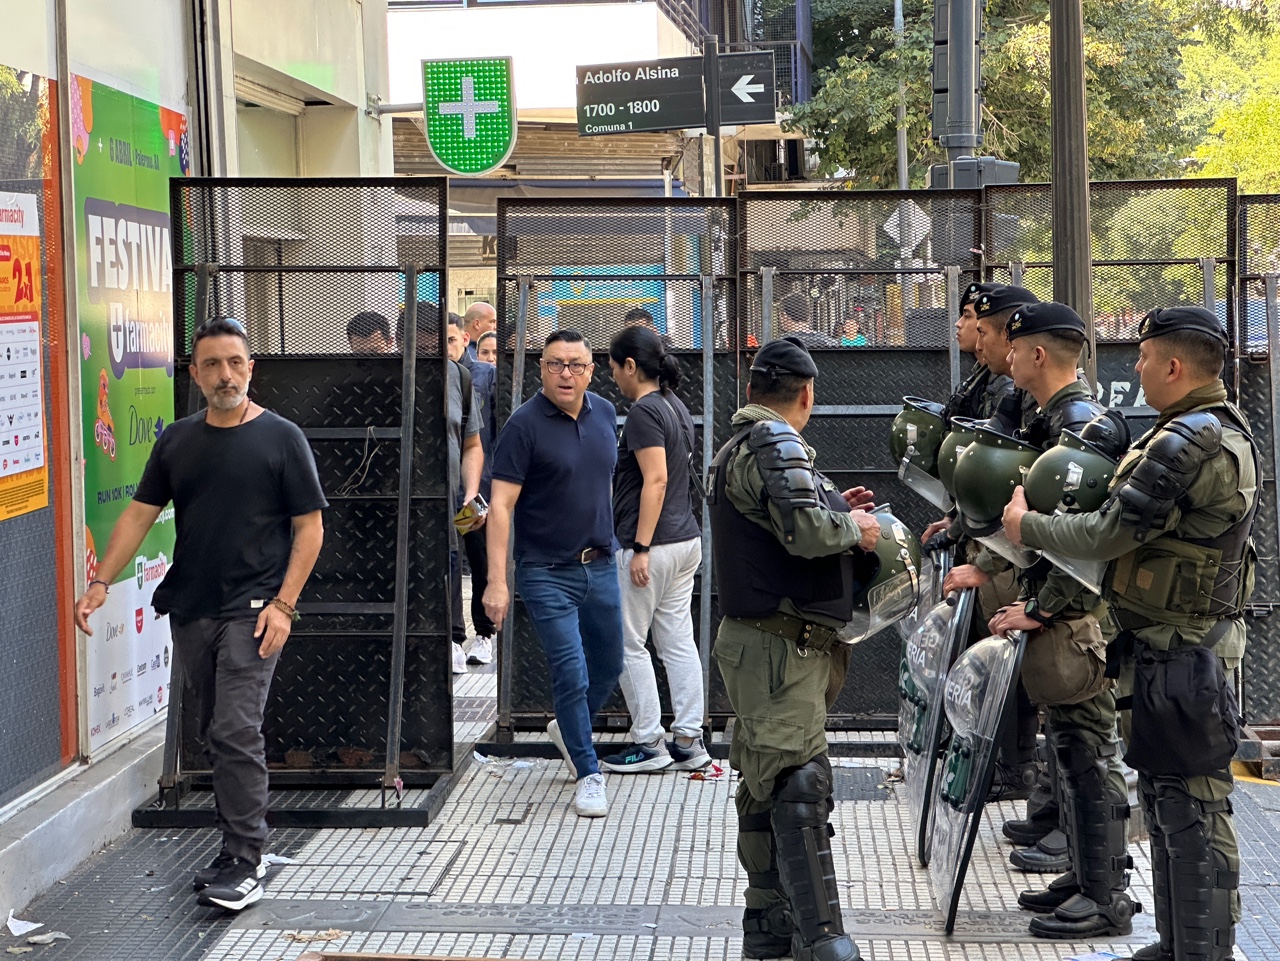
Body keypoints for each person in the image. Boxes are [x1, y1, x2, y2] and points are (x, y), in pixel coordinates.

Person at [1004, 305, 1255, 961]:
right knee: (1169, 798)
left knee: (1194, 806)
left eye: (1143, 358)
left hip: (1188, 647)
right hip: (1165, 643)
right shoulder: (1192, 431)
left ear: (1173, 366)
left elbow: (1107, 532)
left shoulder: (1191, 440)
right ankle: (1178, 943)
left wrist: (1029, 527)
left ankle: (1201, 950)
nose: (1135, 368)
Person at [74, 317, 326, 912]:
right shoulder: (178, 441)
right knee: (216, 731)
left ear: (251, 368)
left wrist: (284, 605)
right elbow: (139, 514)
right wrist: (100, 580)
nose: (225, 375)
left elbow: (310, 528)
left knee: (235, 729)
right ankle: (235, 846)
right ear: (194, 373)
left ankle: (247, 858)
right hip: (191, 607)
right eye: (212, 365)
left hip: (256, 609)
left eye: (235, 363)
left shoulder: (282, 437)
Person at [955, 301, 1133, 939]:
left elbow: (1082, 543)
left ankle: (1107, 894)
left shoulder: (1082, 429)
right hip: (1054, 608)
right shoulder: (1050, 419)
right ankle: (1085, 876)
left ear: (1036, 353)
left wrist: (1042, 606)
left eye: (1015, 345)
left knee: (1091, 753)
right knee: (1068, 746)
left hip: (1076, 615)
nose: (1006, 355)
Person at [709, 335, 882, 961]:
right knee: (798, 783)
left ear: (751, 388)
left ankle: (770, 924)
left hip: (769, 645)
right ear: (806, 395)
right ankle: (822, 938)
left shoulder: (748, 444)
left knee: (766, 782)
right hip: (778, 648)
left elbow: (786, 518)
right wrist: (852, 526)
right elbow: (806, 532)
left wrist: (837, 506)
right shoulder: (774, 441)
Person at [483, 330, 624, 818]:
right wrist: (496, 581)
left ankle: (568, 729)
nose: (567, 374)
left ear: (591, 370)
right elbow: (501, 506)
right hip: (545, 571)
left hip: (600, 565)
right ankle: (588, 771)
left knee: (610, 666)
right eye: (556, 364)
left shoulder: (604, 413)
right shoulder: (523, 426)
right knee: (571, 670)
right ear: (541, 368)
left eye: (576, 365)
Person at [935, 284, 1043, 803]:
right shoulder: (1010, 393)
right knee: (999, 661)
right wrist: (957, 528)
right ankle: (1010, 767)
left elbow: (1020, 495)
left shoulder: (1035, 401)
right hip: (998, 547)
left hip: (1014, 557)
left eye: (984, 330)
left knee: (1019, 671)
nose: (975, 339)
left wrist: (981, 559)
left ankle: (1020, 770)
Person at [599, 326, 709, 774]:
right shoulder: (674, 404)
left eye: (613, 368)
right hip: (685, 541)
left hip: (653, 544)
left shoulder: (644, 411)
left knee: (627, 644)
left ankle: (648, 743)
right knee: (677, 640)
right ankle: (688, 740)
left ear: (630, 365)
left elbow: (656, 479)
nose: (612, 377)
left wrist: (640, 547)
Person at [448, 313, 498, 669]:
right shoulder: (432, 376)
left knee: (480, 559)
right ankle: (453, 636)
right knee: (449, 562)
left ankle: (485, 634)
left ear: (465, 339)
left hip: (478, 487)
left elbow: (487, 434)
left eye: (452, 340)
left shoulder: (481, 375)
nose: (447, 348)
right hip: (442, 492)